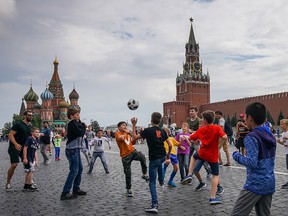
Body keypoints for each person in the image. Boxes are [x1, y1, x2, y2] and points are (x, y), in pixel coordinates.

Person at [230, 102, 276, 216]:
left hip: (255, 184)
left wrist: (236, 155)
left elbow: (252, 162)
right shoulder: (269, 134)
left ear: (250, 118)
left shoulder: (251, 137)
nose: (244, 119)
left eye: (245, 116)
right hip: (269, 182)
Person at [181, 110, 227, 204]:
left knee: (194, 157)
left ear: (205, 120)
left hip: (202, 153)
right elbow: (225, 137)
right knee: (215, 175)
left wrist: (193, 139)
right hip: (212, 155)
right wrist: (217, 142)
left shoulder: (201, 129)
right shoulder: (217, 128)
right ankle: (212, 197)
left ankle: (189, 174)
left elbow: (191, 138)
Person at [131, 112, 172, 214]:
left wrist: (134, 125)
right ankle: (162, 181)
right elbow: (170, 145)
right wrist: (168, 155)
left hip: (154, 158)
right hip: (162, 156)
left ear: (151, 119)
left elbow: (134, 138)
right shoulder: (163, 131)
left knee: (152, 182)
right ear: (160, 120)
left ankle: (154, 204)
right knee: (160, 164)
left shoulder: (148, 130)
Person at [115, 121, 149, 198]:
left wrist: (133, 137)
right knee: (128, 173)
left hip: (133, 151)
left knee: (142, 157)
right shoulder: (118, 133)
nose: (125, 126)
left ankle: (144, 174)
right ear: (119, 127)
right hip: (125, 156)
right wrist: (126, 133)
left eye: (125, 125)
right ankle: (129, 189)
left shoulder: (127, 134)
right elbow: (120, 138)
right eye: (123, 125)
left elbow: (133, 142)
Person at [60, 108, 87, 200]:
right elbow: (80, 133)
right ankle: (65, 192)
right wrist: (83, 127)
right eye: (76, 115)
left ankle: (76, 188)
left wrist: (81, 125)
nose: (78, 116)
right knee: (74, 171)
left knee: (80, 169)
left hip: (76, 149)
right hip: (72, 150)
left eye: (78, 114)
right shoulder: (72, 123)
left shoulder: (75, 123)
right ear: (71, 116)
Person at [6, 110, 33, 191]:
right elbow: (10, 135)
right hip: (14, 147)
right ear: (24, 116)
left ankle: (28, 184)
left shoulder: (29, 126)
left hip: (23, 148)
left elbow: (29, 138)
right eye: (29, 115)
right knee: (14, 165)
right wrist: (16, 144)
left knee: (28, 164)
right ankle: (8, 182)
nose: (31, 116)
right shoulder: (18, 124)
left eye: (32, 115)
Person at [23, 127, 40, 191]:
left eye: (38, 132)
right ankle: (29, 185)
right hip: (28, 157)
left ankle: (26, 185)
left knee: (29, 171)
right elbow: (25, 147)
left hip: (32, 158)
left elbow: (35, 151)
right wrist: (25, 158)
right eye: (36, 132)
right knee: (31, 171)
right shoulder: (29, 139)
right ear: (32, 133)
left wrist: (36, 160)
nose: (37, 133)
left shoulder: (36, 140)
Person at [276, 119, 288, 189]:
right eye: (280, 124)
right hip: (287, 153)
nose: (281, 126)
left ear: (286, 125)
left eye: (282, 124)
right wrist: (279, 142)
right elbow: (284, 143)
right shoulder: (283, 133)